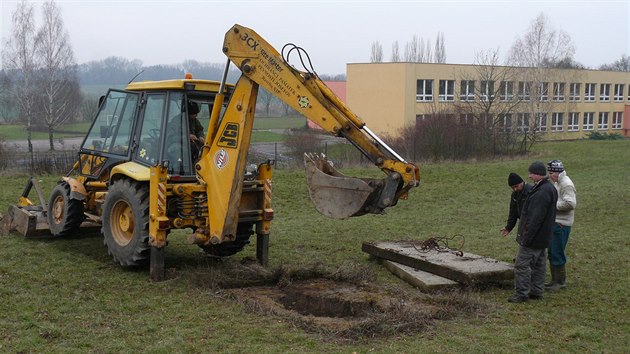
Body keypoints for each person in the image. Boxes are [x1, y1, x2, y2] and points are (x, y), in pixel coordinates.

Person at [508, 161, 558, 303]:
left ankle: (521, 294)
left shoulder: (541, 192)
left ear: (537, 174)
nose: (529, 176)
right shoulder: (548, 188)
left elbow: (535, 218)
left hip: (533, 237)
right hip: (544, 237)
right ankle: (536, 292)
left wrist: (526, 237)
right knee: (539, 265)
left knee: (522, 266)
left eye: (531, 173)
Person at [545, 159, 576, 292]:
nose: (549, 175)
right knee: (552, 251)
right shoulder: (558, 182)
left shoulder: (566, 184)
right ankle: (554, 281)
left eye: (551, 173)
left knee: (557, 252)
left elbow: (571, 204)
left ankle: (560, 282)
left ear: (557, 172)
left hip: (562, 223)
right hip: (556, 222)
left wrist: (553, 205)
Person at [501, 172, 532, 238]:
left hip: (532, 225)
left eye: (516, 186)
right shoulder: (514, 195)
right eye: (512, 188)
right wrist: (508, 227)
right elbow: (513, 212)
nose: (515, 189)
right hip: (523, 224)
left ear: (522, 182)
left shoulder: (531, 192)